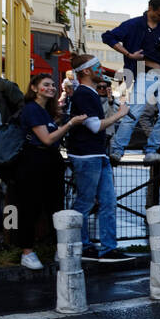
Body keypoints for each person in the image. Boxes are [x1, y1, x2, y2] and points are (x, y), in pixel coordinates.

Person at [12, 75, 86, 270]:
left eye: (53, 85)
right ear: (34, 88)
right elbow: (46, 139)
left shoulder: (46, 111)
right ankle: (27, 252)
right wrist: (70, 124)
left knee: (55, 206)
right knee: (31, 206)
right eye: (46, 85)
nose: (51, 88)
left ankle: (58, 249)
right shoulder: (31, 109)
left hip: (50, 162)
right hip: (34, 162)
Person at [64, 54, 132, 262]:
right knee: (85, 203)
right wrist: (120, 114)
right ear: (86, 71)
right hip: (86, 156)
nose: (100, 69)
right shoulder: (83, 94)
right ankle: (83, 246)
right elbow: (94, 127)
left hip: (97, 154)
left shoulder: (90, 94)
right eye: (96, 66)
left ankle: (108, 248)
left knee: (108, 202)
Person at [102, 0, 160, 163]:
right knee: (134, 112)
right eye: (159, 15)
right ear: (150, 8)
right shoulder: (132, 25)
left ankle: (151, 150)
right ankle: (117, 149)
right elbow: (108, 37)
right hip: (143, 72)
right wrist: (128, 54)